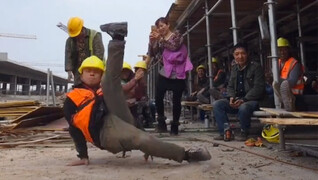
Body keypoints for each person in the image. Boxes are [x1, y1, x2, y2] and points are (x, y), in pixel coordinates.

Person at [63, 22, 211, 166]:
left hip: (119, 117)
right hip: (103, 131)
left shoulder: (105, 89)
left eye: (96, 71)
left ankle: (118, 37)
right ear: (81, 75)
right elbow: (73, 128)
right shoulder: (73, 98)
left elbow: (123, 104)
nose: (92, 74)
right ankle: (185, 155)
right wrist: (83, 155)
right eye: (88, 71)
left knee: (110, 83)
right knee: (143, 140)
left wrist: (138, 127)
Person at [148, 17, 193, 135]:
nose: (161, 28)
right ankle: (161, 121)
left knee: (176, 100)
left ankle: (175, 125)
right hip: (166, 71)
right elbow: (154, 54)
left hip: (178, 71)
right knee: (158, 96)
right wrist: (151, 42)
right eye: (158, 27)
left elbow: (175, 47)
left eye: (162, 25)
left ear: (168, 25)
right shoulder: (159, 39)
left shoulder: (177, 35)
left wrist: (161, 40)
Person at [212, 43, 265, 141]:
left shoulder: (256, 67)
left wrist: (244, 99)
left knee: (244, 107)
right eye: (237, 54)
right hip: (237, 100)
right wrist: (231, 97)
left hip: (252, 100)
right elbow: (230, 86)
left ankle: (244, 131)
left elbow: (259, 88)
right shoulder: (234, 68)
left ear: (247, 54)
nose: (240, 57)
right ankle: (225, 131)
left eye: (243, 53)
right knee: (217, 104)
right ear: (234, 55)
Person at [65, 17, 105, 86]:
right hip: (78, 71)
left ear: (82, 29)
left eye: (77, 34)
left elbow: (99, 55)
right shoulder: (70, 41)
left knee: (93, 90)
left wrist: (89, 71)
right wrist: (69, 71)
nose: (76, 37)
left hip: (93, 68)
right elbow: (68, 55)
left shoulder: (95, 36)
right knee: (79, 90)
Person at [273, 37, 304, 111]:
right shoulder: (277, 62)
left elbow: (292, 82)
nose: (282, 52)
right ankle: (284, 102)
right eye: (280, 50)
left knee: (284, 84)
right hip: (281, 95)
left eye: (284, 49)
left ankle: (289, 102)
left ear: (289, 50)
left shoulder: (294, 63)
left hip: (295, 95)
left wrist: (277, 79)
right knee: (274, 84)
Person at [121, 61, 145, 129]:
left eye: (127, 71)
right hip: (121, 105)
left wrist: (140, 80)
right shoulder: (117, 81)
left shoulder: (131, 81)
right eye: (123, 71)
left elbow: (139, 93)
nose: (125, 73)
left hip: (132, 104)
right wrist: (135, 79)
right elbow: (124, 88)